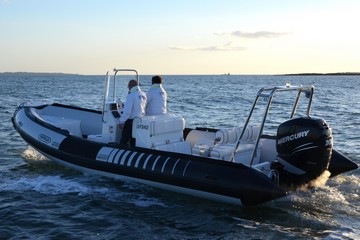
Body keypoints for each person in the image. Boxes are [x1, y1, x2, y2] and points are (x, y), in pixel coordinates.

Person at [119, 79, 147, 146]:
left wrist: (121, 121)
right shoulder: (144, 94)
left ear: (130, 86)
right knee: (134, 140)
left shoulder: (131, 95)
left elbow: (127, 112)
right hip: (141, 121)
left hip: (131, 122)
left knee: (123, 141)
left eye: (128, 87)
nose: (128, 88)